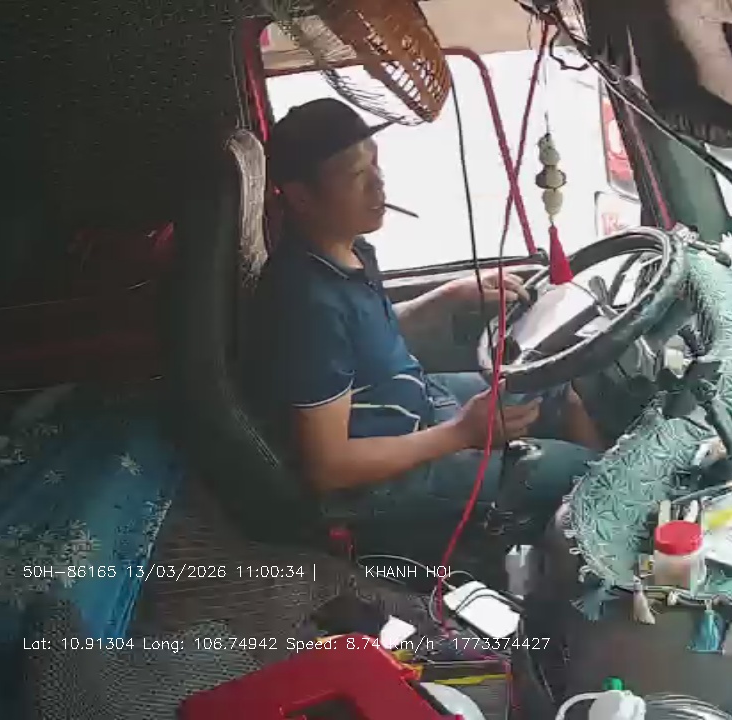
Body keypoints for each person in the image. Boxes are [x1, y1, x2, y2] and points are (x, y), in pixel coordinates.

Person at [249, 98, 605, 561]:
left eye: (376, 163)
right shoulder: (306, 302)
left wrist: (448, 297)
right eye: (357, 176)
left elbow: (366, 340)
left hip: (422, 406)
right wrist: (461, 432)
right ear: (300, 197)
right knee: (588, 474)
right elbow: (328, 467)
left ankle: (587, 528)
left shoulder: (349, 251)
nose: (379, 183)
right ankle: (596, 547)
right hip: (383, 482)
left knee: (556, 384)